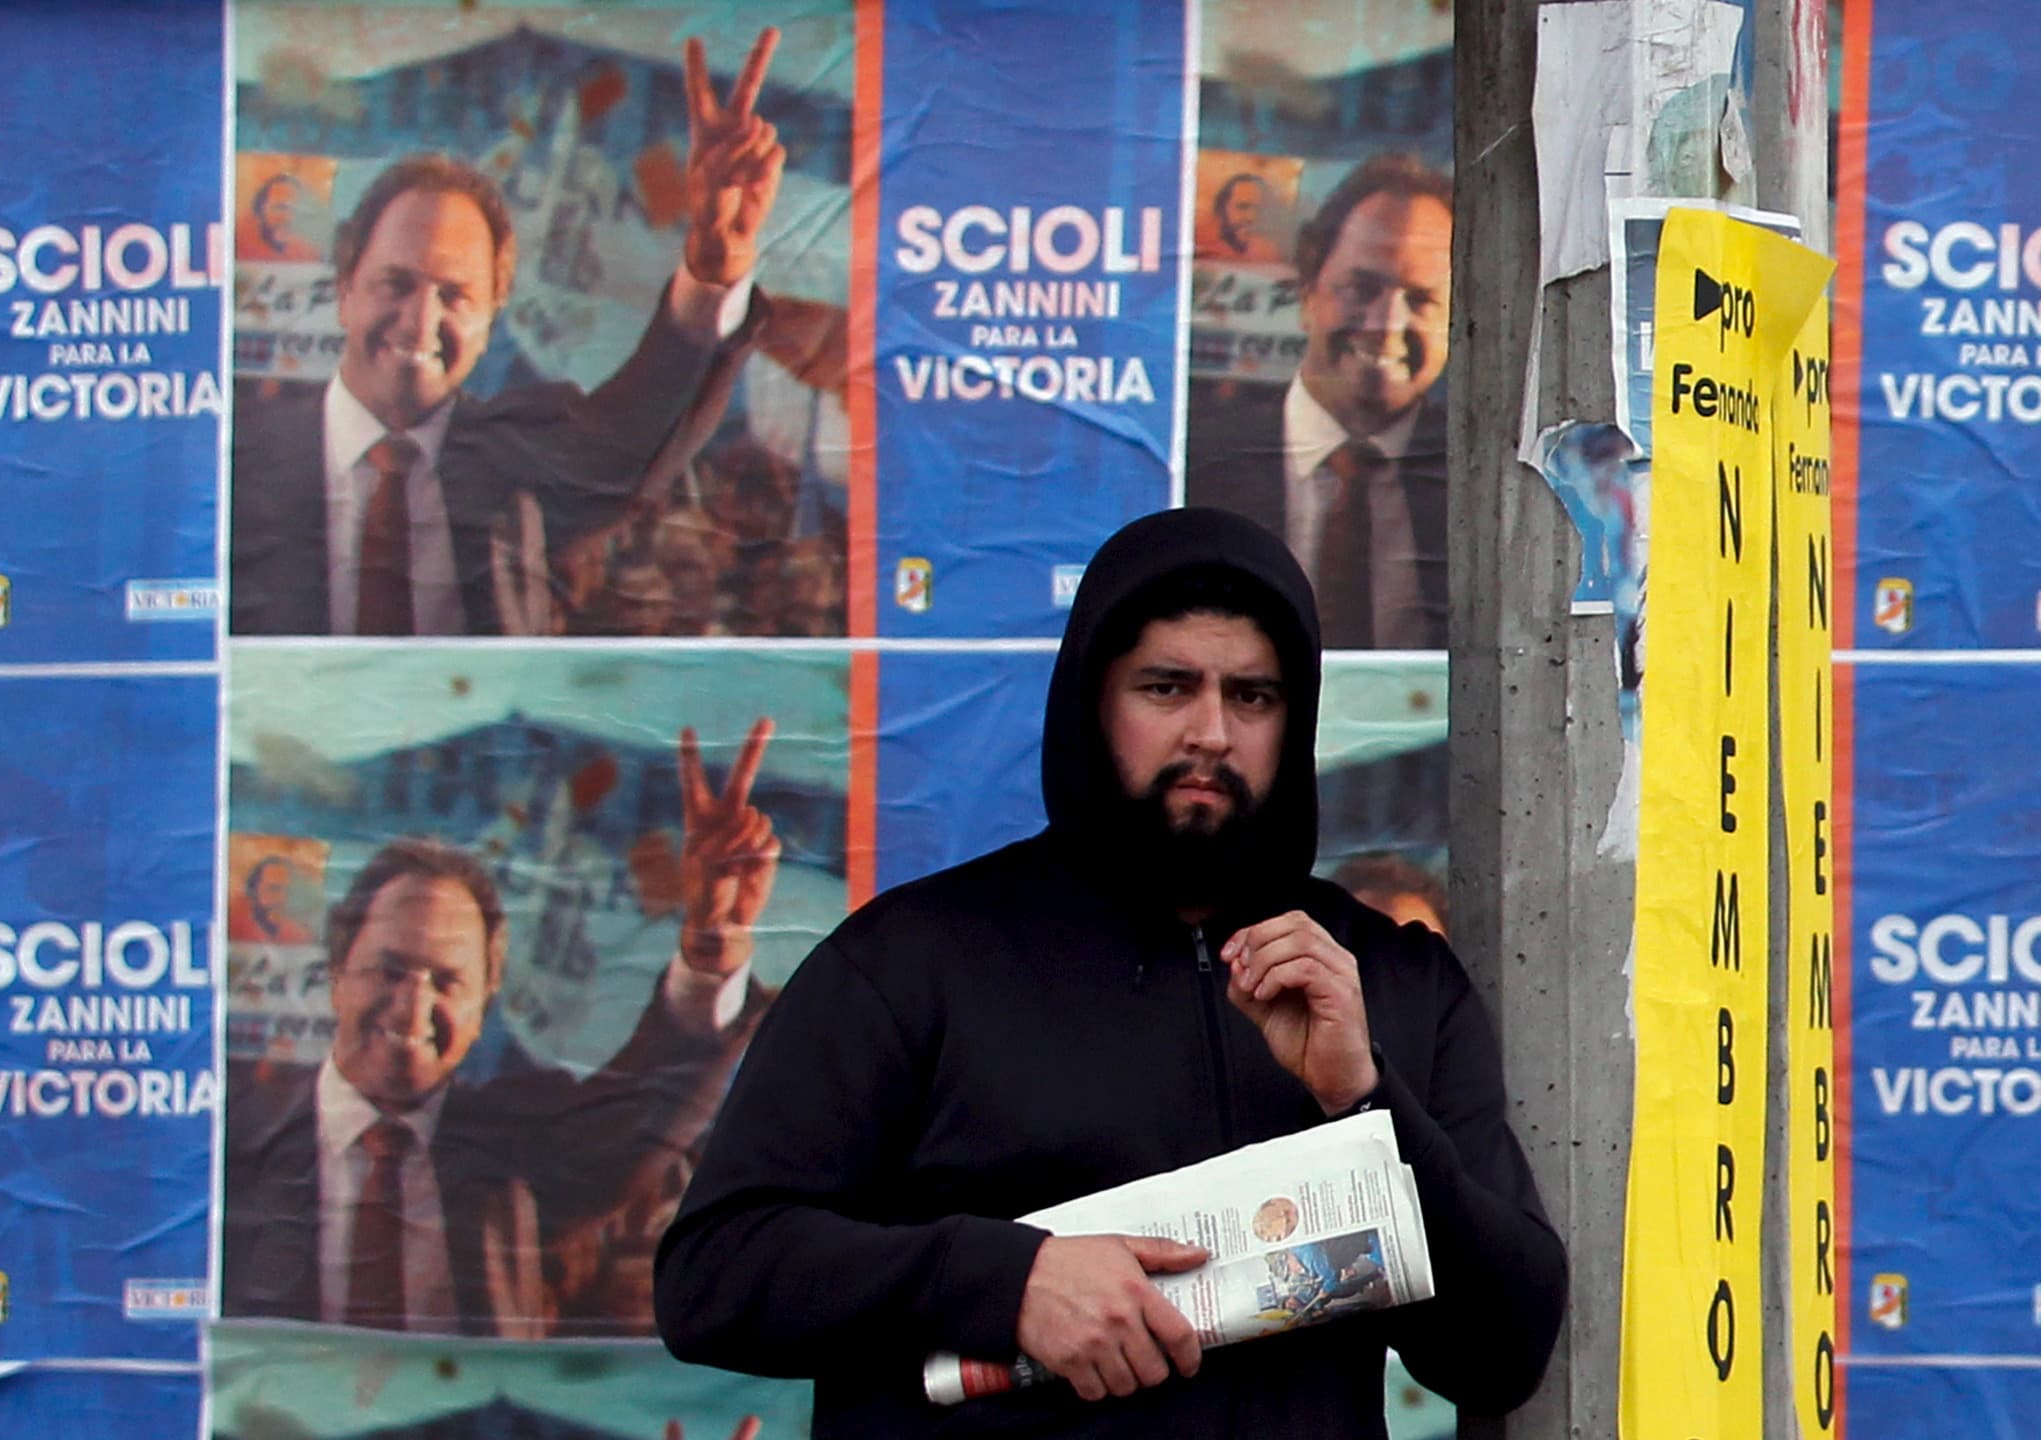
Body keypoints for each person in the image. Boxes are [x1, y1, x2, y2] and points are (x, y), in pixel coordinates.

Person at [654, 507, 1565, 1435]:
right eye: (1167, 688)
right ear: (1094, 701)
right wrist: (1007, 1282)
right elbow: (716, 1274)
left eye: (1253, 696)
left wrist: (1367, 1102)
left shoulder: (1389, 979)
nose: (1211, 731)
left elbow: (1502, 1351)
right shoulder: (912, 958)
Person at [222, 721, 782, 1338]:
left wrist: (710, 942)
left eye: (446, 980)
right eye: (389, 970)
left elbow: (645, 1109)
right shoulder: (234, 1135)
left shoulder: (522, 1144)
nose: (412, 1006)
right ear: (335, 974)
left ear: (485, 1002)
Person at [229, 31, 788, 636]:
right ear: (344, 289)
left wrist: (713, 266)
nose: (420, 321)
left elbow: (648, 420)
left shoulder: (525, 458)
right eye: (396, 284)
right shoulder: (231, 458)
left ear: (492, 317)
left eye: (454, 295)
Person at [1188, 153, 1453, 649]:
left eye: (1421, 300)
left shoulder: (1482, 486)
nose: (1387, 325)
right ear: (1307, 291)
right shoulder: (1191, 466)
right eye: (1362, 287)